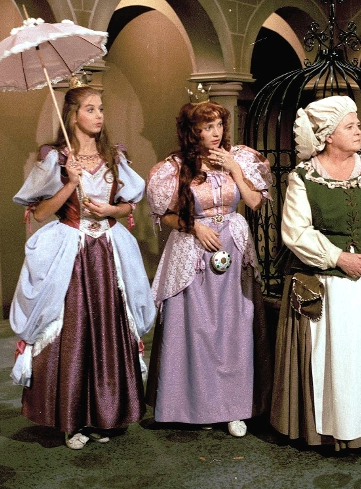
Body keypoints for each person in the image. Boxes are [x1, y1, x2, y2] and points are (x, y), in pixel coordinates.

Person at [9, 84, 156, 450]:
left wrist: (111, 210)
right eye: (90, 109)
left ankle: (105, 414)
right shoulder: (56, 158)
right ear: (72, 116)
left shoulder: (114, 155)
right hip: (71, 253)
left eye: (101, 108)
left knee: (108, 329)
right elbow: (40, 213)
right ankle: (71, 419)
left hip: (107, 252)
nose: (99, 115)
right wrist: (70, 183)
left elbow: (128, 205)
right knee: (73, 330)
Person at [270, 95, 361, 463]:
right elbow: (296, 231)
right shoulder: (303, 177)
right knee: (341, 360)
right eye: (350, 126)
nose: (359, 130)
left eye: (358, 124)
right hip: (330, 283)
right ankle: (338, 430)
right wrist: (338, 258)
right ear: (329, 135)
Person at [145, 100, 273, 437]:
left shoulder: (238, 157)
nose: (215, 133)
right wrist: (194, 227)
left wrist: (234, 169)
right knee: (197, 329)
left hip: (234, 249)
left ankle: (235, 408)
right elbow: (164, 215)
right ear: (193, 132)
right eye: (206, 127)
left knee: (234, 327)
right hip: (194, 252)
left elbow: (255, 202)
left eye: (218, 125)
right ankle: (193, 406)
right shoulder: (175, 167)